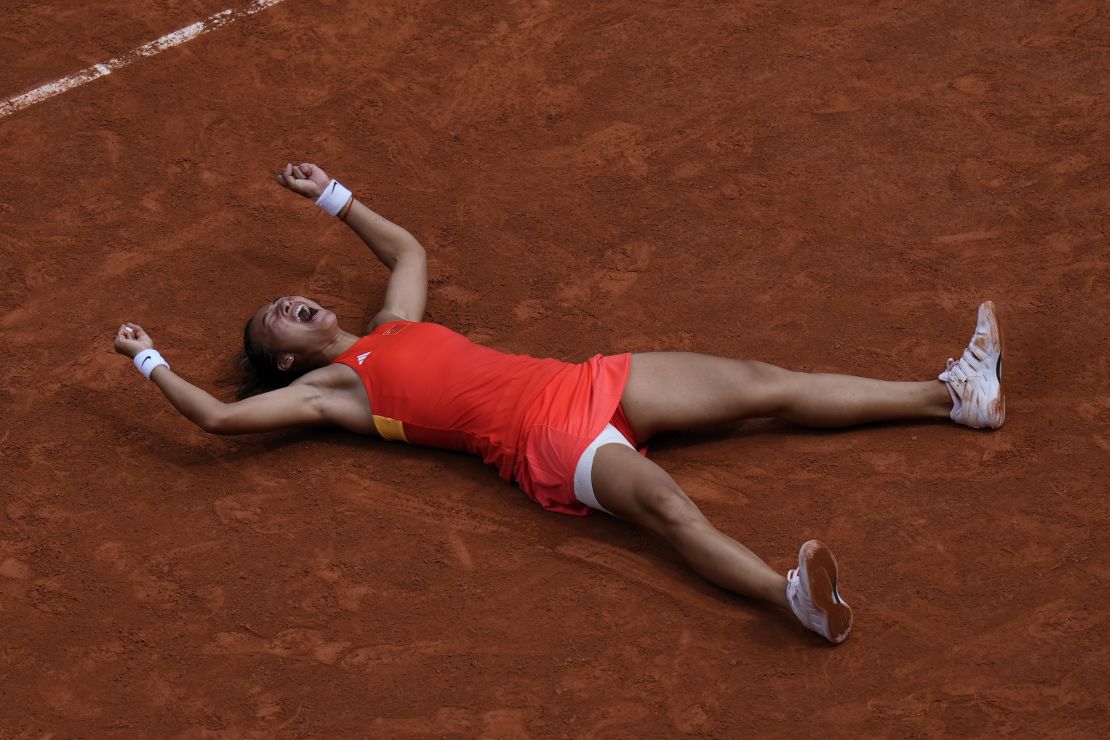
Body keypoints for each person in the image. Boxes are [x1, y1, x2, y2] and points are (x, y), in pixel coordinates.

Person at [114, 161, 1005, 644]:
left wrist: (337, 198)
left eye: (286, 298)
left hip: (583, 381)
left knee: (764, 384)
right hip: (544, 441)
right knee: (667, 510)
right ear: (281, 357)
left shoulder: (389, 327)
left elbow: (409, 253)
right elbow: (221, 420)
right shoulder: (328, 393)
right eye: (276, 320)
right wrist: (151, 359)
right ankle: (793, 602)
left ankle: (953, 397)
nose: (289, 304)